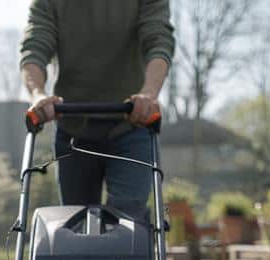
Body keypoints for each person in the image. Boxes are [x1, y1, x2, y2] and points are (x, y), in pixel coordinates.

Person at [20, 0, 175, 220]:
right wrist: (38, 94)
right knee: (76, 227)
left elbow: (158, 40)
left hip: (132, 124)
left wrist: (149, 94)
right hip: (73, 130)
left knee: (128, 223)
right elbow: (35, 46)